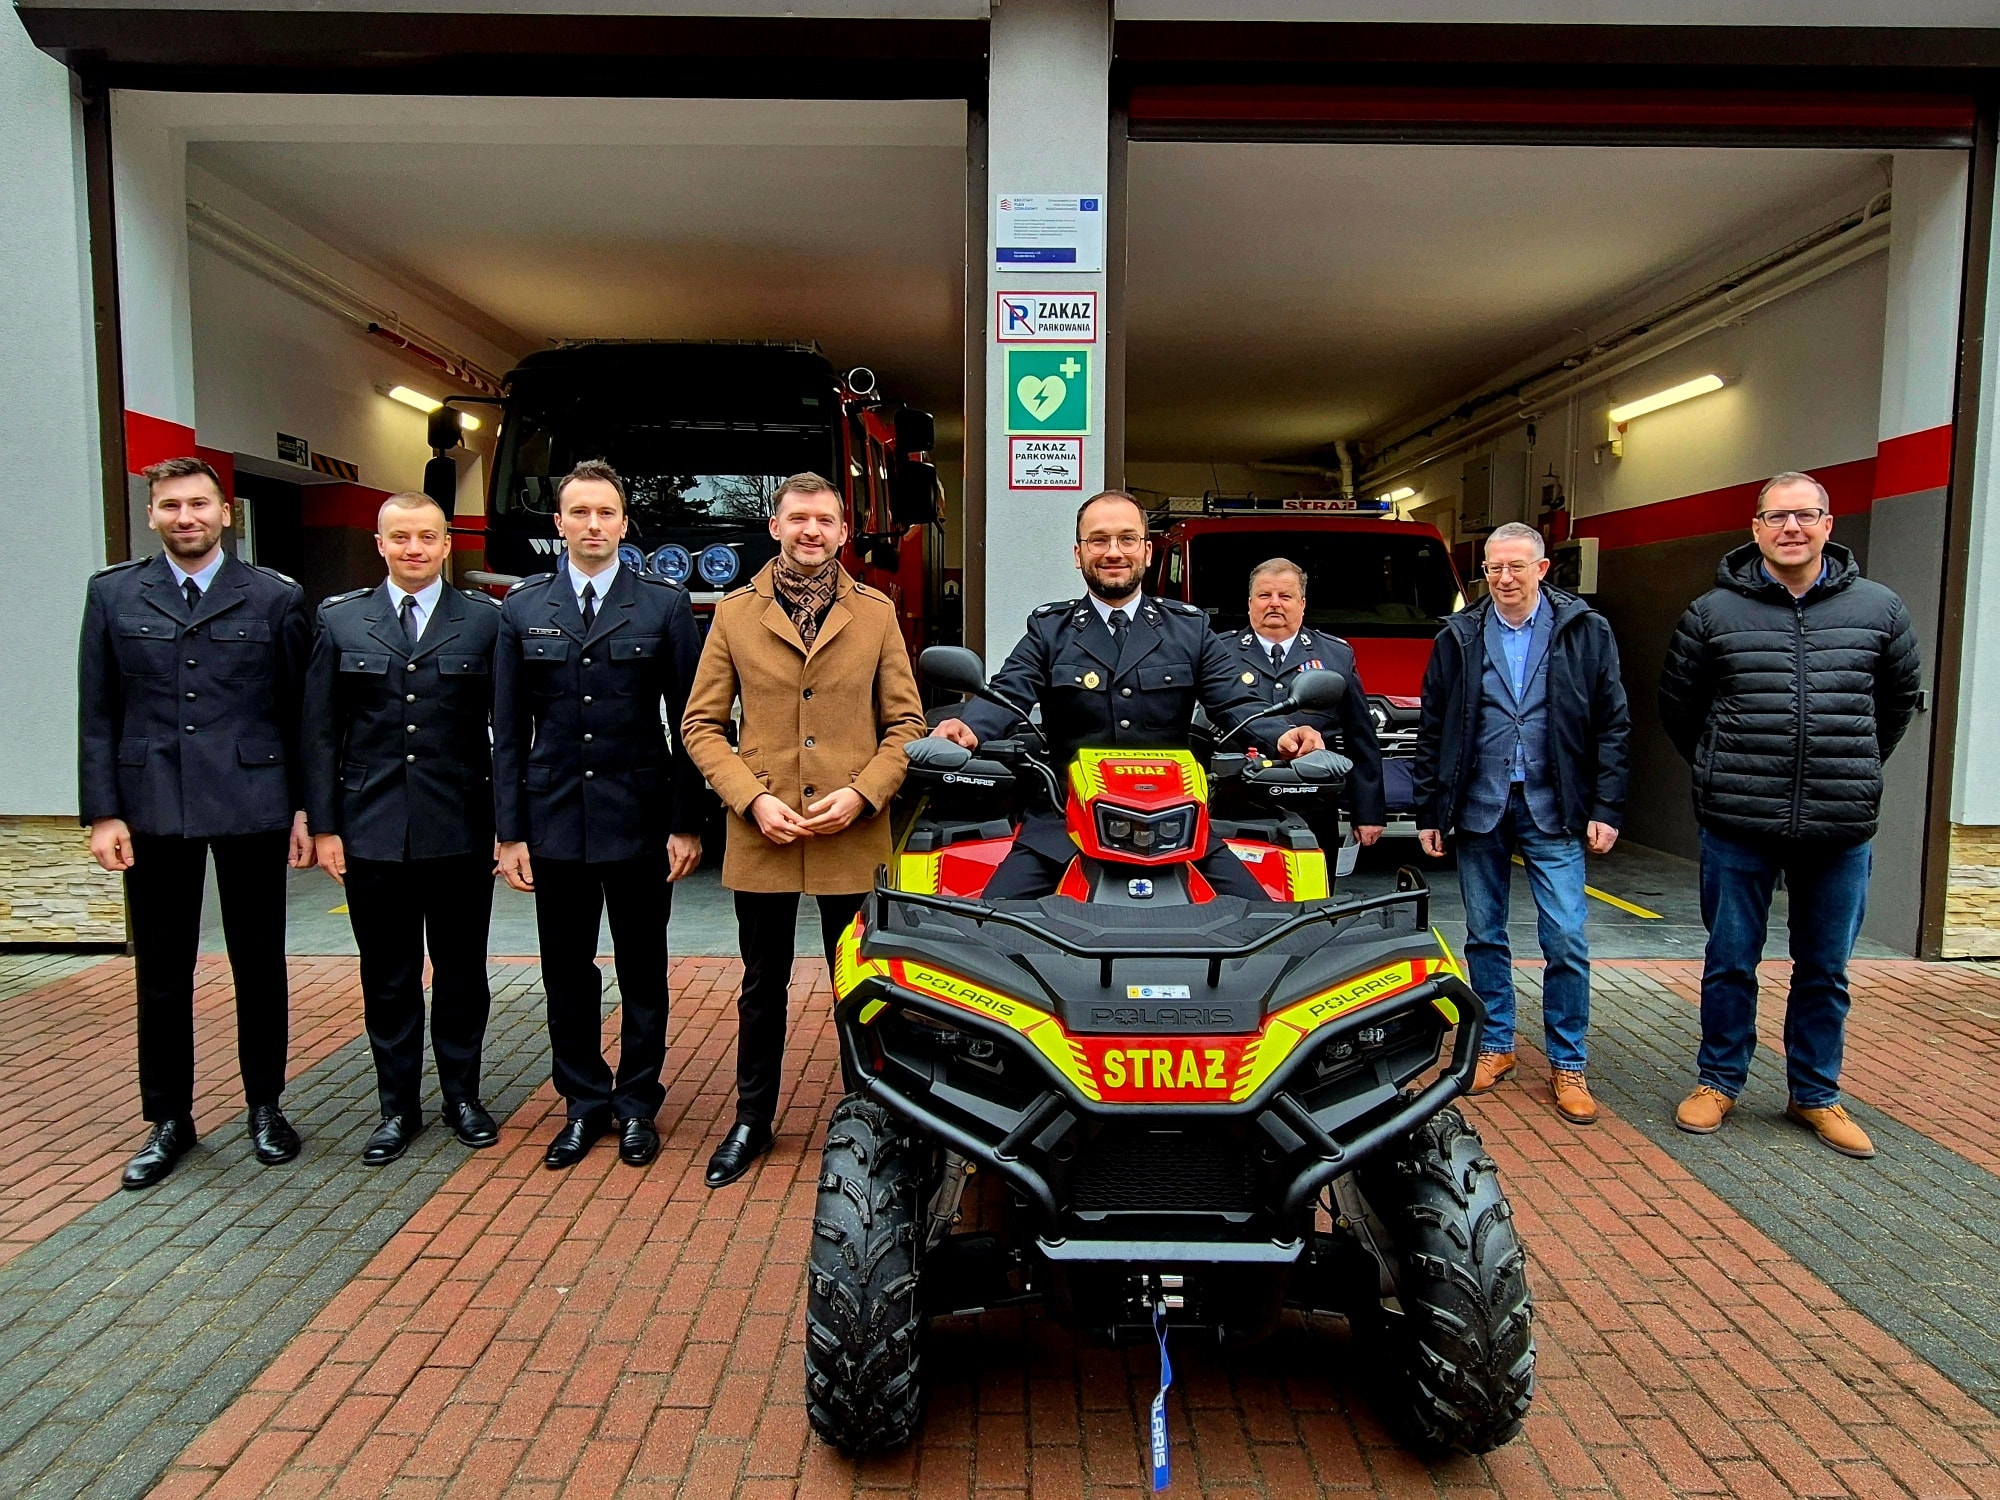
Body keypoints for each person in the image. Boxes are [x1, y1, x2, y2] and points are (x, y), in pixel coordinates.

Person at [1660, 472, 1921, 1159]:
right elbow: (1681, 709)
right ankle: (1718, 1082)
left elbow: (1895, 704)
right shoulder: (1712, 613)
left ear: (1829, 525)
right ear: (1756, 529)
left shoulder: (1880, 609)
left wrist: (1851, 765)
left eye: (1805, 516)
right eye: (1777, 517)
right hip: (1738, 820)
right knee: (1729, 961)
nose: (1792, 529)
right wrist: (1723, 769)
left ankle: (1815, 1094)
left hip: (1839, 823)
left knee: (1825, 969)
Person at [681, 473, 926, 1187]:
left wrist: (864, 793)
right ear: (776, 526)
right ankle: (752, 1118)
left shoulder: (875, 614)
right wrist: (750, 800)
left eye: (824, 520)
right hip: (766, 830)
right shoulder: (735, 614)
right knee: (763, 983)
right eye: (797, 519)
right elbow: (701, 725)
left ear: (844, 532)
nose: (810, 531)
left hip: (851, 830)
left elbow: (906, 725)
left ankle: (870, 1115)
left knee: (862, 983)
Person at [78, 456, 314, 1188]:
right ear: (152, 514)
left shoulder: (275, 597)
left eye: (199, 504)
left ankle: (266, 1106)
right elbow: (97, 710)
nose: (186, 517)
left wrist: (305, 808)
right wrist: (102, 812)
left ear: (225, 513)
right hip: (152, 803)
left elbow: (302, 714)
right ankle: (168, 1119)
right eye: (172, 505)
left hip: (252, 802)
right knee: (162, 971)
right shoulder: (114, 593)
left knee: (258, 965)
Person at [931, 491, 1324, 899]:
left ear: (1147, 551)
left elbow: (1235, 701)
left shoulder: (1189, 629)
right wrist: (967, 730)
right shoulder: (1050, 629)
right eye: (1099, 540)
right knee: (991, 923)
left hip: (1179, 825)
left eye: (1127, 539)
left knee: (1261, 921)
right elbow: (1008, 691)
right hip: (1065, 823)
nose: (1113, 552)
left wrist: (1284, 735)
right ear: (1079, 554)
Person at [493, 459, 705, 1170]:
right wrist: (510, 832)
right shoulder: (523, 608)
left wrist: (686, 823)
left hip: (640, 818)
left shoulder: (663, 606)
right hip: (554, 819)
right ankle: (583, 1102)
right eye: (579, 513)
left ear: (623, 524)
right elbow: (506, 730)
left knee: (643, 969)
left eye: (606, 513)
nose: (593, 525)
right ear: (559, 524)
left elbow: (692, 722)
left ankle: (638, 1101)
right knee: (567, 972)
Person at [303, 493, 504, 1165]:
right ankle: (397, 1108)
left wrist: (508, 828)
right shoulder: (340, 620)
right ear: (380, 544)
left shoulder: (484, 621)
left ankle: (462, 1097)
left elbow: (508, 731)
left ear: (447, 545)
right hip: (372, 826)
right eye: (400, 537)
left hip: (460, 825)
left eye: (426, 537)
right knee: (388, 976)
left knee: (461, 972)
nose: (413, 548)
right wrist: (325, 826)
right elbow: (319, 732)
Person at [1411, 521, 1629, 1125]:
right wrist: (1430, 811)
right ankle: (1496, 1044)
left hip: (1555, 806)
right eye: (1493, 568)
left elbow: (1613, 722)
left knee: (1566, 937)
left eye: (1516, 566)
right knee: (1484, 934)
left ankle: (1569, 1062)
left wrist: (1607, 807)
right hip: (1479, 803)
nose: (1504, 578)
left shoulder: (1584, 630)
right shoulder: (1459, 634)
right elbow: (1434, 727)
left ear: (1542, 569)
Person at [1226, 557, 1386, 849]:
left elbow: (1360, 739)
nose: (1274, 603)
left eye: (1285, 596)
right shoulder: (1220, 653)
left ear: (1302, 604)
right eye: (1265, 595)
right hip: (1237, 803)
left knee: (1314, 878)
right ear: (1250, 603)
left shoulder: (1335, 655)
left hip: (1313, 804)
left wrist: (1368, 812)